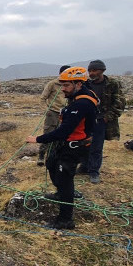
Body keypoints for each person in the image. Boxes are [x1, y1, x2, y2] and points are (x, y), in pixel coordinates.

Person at [26, 67, 98, 230]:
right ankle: (61, 193)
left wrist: (37, 139)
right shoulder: (81, 96)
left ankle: (65, 219)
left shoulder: (81, 104)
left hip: (74, 147)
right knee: (51, 163)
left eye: (66, 86)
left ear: (78, 84)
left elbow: (63, 131)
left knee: (65, 179)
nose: (63, 89)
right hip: (69, 143)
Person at [78, 59, 126, 183]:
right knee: (83, 143)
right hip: (85, 120)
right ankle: (84, 166)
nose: (91, 73)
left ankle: (94, 171)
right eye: (89, 70)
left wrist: (106, 118)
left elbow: (120, 103)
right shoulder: (85, 84)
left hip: (100, 120)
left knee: (96, 147)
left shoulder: (112, 84)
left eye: (94, 70)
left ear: (102, 71)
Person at [37, 65, 71, 166]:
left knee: (62, 135)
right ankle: (41, 155)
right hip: (53, 113)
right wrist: (46, 111)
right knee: (48, 134)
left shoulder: (72, 85)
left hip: (65, 113)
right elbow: (42, 98)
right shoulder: (52, 84)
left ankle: (54, 156)